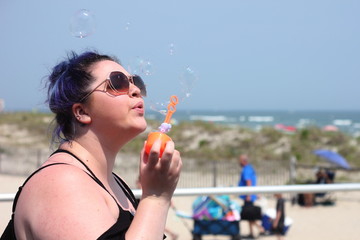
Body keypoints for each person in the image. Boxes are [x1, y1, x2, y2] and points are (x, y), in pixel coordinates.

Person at [1, 50, 182, 240]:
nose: (136, 90)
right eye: (118, 82)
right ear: (82, 111)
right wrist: (155, 198)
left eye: (136, 82)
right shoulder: (62, 183)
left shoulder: (113, 182)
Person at [238, 154, 264, 238]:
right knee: (249, 216)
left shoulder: (247, 169)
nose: (239, 162)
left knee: (249, 215)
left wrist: (248, 194)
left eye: (240, 160)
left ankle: (261, 229)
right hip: (249, 196)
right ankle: (251, 233)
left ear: (243, 161)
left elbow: (248, 182)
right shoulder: (249, 168)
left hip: (248, 197)